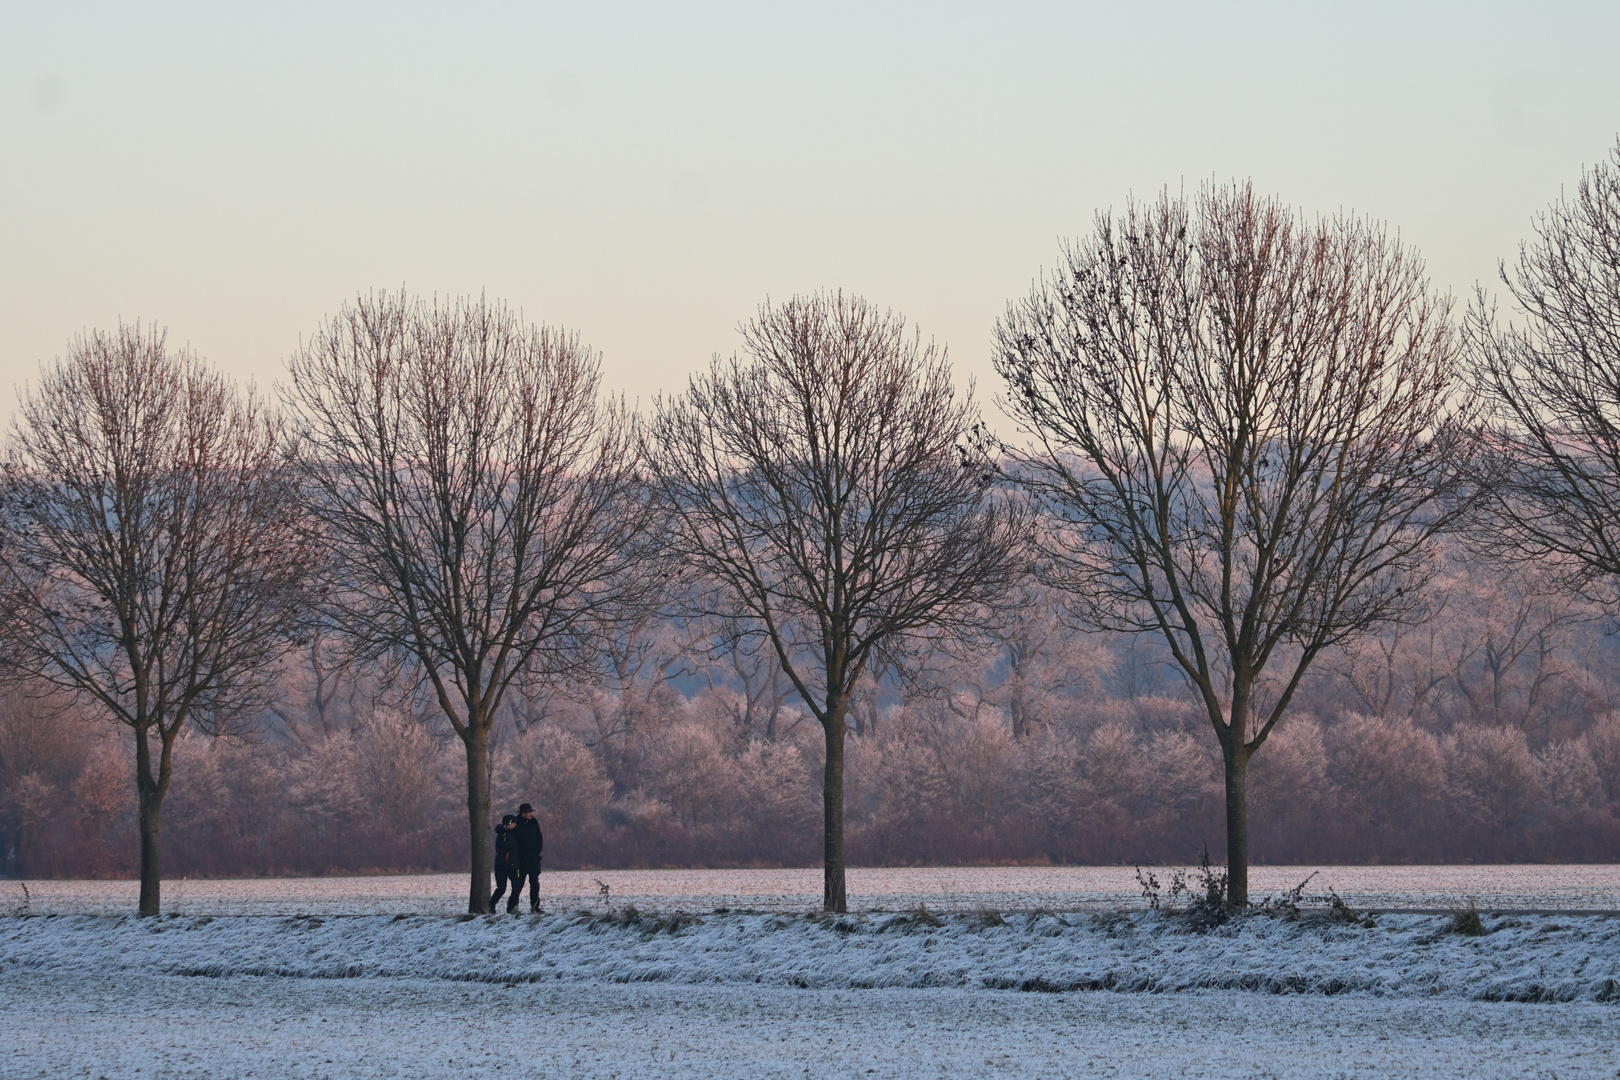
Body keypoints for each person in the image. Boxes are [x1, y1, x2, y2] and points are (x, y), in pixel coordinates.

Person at [508, 802, 543, 914]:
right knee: (518, 885)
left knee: (535, 884)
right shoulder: (515, 823)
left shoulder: (534, 822)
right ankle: (512, 907)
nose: (530, 814)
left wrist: (537, 852)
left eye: (530, 812)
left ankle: (535, 906)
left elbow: (539, 838)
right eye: (528, 812)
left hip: (533, 860)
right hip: (520, 860)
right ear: (522, 813)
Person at [488, 813, 517, 910]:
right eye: (512, 823)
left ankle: (511, 907)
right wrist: (507, 830)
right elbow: (505, 846)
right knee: (501, 888)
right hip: (502, 865)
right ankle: (491, 904)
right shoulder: (503, 834)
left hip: (514, 865)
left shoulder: (515, 833)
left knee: (517, 886)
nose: (514, 825)